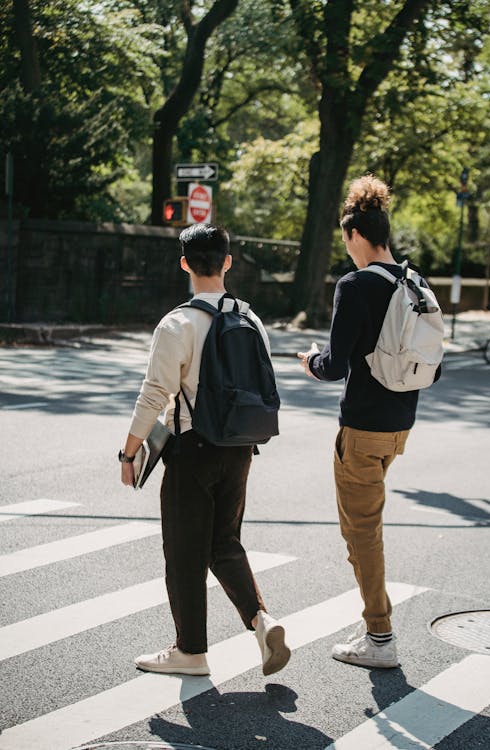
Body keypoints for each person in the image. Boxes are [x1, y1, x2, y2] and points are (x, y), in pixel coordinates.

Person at [119, 223, 290, 677]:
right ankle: (261, 620)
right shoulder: (251, 320)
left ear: (184, 264)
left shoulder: (178, 323)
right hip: (240, 449)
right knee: (224, 543)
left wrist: (129, 452)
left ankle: (190, 651)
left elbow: (155, 394)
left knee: (183, 552)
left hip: (192, 449)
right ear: (228, 262)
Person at [298, 175, 440, 668]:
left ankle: (380, 638)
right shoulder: (412, 281)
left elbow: (336, 364)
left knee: (361, 532)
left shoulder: (354, 285)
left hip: (360, 428)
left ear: (356, 234)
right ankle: (374, 630)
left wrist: (310, 361)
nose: (347, 249)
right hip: (400, 423)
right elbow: (431, 363)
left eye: (345, 239)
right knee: (366, 526)